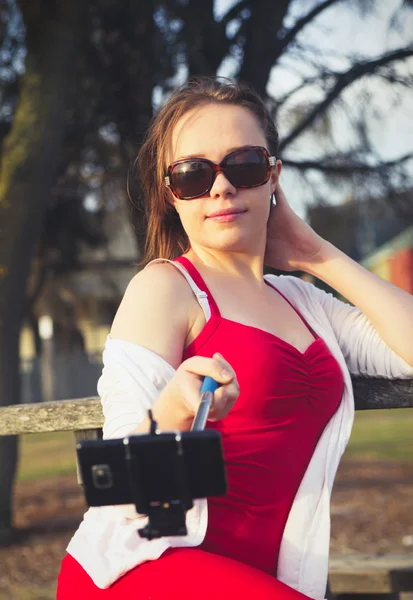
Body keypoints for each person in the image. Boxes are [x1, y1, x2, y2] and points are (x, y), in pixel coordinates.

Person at [57, 77, 413, 600]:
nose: (221, 187)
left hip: (262, 579)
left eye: (244, 166)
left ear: (274, 178)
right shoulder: (165, 288)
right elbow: (124, 483)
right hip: (149, 569)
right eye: (193, 174)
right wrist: (177, 408)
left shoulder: (306, 301)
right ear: (168, 193)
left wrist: (318, 255)